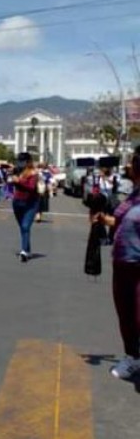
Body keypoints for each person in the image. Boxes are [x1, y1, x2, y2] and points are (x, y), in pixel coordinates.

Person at [92, 147, 140, 380]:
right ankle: (133, 357)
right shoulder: (134, 194)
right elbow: (120, 221)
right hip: (122, 264)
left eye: (132, 163)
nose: (128, 166)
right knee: (127, 315)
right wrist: (103, 219)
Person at [10, 152, 41, 262]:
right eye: (19, 160)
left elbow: (31, 187)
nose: (20, 163)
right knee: (23, 228)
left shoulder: (34, 173)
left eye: (23, 161)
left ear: (28, 162)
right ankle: (27, 249)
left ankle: (24, 251)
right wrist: (11, 179)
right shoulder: (17, 171)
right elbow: (10, 182)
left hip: (31, 203)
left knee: (25, 226)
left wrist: (19, 182)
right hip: (17, 202)